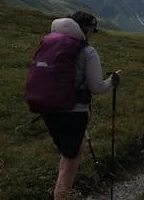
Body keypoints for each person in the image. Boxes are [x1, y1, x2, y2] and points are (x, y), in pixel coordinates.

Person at [41, 11, 121, 200]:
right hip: (74, 113)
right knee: (70, 165)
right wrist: (113, 81)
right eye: (92, 30)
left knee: (68, 154)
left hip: (49, 110)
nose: (92, 34)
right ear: (85, 29)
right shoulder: (87, 52)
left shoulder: (49, 45)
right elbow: (96, 87)